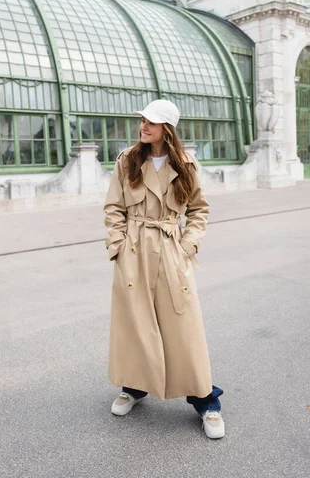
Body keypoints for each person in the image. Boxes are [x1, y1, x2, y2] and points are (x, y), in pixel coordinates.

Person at [103, 99, 224, 439]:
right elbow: (114, 207)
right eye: (142, 120)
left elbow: (199, 210)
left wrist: (188, 246)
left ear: (166, 129)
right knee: (135, 324)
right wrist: (117, 246)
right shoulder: (127, 160)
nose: (143, 126)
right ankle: (134, 386)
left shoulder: (185, 163)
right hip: (134, 251)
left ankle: (205, 399)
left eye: (151, 122)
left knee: (183, 328)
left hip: (171, 250)